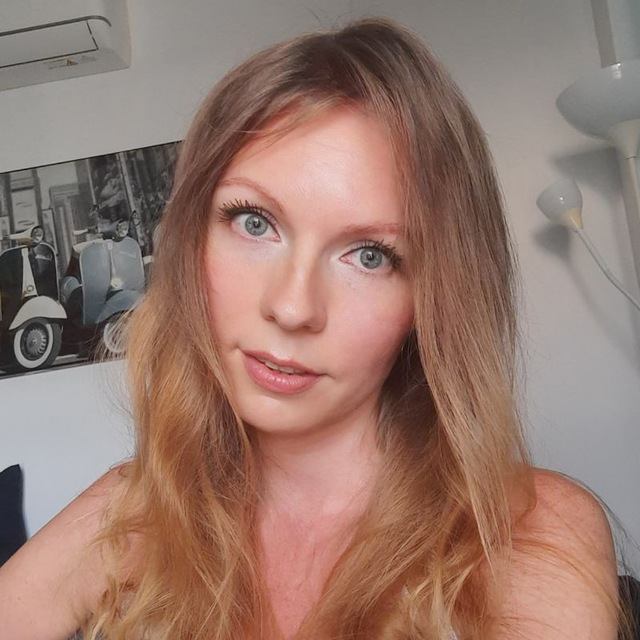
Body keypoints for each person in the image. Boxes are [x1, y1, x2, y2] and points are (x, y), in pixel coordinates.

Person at [0, 17, 624, 640]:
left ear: (433, 297)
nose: (294, 308)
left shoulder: (529, 532)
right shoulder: (130, 510)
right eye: (254, 223)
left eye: (371, 256)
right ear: (192, 239)